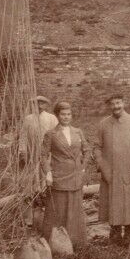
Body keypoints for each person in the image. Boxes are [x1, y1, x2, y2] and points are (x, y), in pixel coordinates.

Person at [94, 94, 130, 245]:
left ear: (124, 103)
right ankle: (115, 237)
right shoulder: (103, 124)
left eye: (118, 103)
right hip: (111, 173)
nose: (116, 106)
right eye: (113, 104)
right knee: (113, 204)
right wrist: (102, 165)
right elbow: (97, 147)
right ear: (109, 106)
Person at [41, 102, 90, 249]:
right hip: (59, 176)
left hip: (75, 176)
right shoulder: (51, 134)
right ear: (57, 115)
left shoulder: (78, 132)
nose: (66, 117)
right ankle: (57, 244)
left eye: (69, 114)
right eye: (63, 114)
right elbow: (43, 155)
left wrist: (83, 167)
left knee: (75, 208)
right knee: (58, 210)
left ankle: (77, 242)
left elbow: (87, 150)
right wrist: (48, 173)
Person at [18, 95, 58, 192]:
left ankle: (47, 189)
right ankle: (34, 190)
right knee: (33, 168)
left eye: (42, 103)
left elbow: (57, 134)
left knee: (46, 167)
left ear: (46, 105)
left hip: (47, 149)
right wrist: (22, 149)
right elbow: (23, 135)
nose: (39, 106)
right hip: (32, 148)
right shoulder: (28, 119)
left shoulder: (51, 118)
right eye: (36, 104)